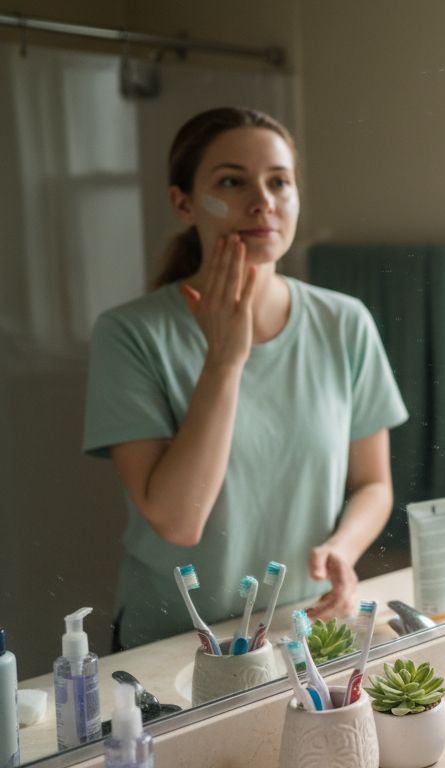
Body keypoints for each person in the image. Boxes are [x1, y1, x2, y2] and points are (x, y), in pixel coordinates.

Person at [83, 107, 408, 649]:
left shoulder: (343, 322)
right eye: (232, 181)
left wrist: (342, 549)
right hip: (175, 644)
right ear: (183, 202)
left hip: (300, 632)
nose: (264, 202)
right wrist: (225, 360)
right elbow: (179, 522)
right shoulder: (129, 335)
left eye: (279, 181)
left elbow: (373, 484)